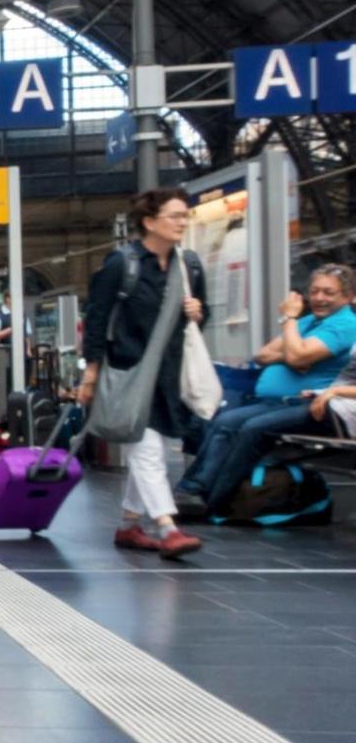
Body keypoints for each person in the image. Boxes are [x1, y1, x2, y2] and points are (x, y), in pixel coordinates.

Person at [80, 188, 209, 559]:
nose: (182, 223)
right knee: (148, 448)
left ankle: (128, 526)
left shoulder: (191, 267)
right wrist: (90, 373)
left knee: (151, 448)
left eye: (186, 215)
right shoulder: (123, 265)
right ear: (150, 222)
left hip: (170, 374)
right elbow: (97, 319)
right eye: (174, 216)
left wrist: (198, 312)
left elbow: (199, 322)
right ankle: (167, 527)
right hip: (129, 372)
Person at [174, 263, 356, 514]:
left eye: (328, 292)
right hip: (276, 401)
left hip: (307, 403)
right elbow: (263, 355)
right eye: (314, 291)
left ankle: (213, 501)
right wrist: (291, 353)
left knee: (251, 429)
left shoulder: (344, 324)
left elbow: (298, 356)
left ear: (347, 297)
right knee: (226, 421)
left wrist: (290, 321)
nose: (319, 298)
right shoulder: (308, 322)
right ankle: (191, 490)